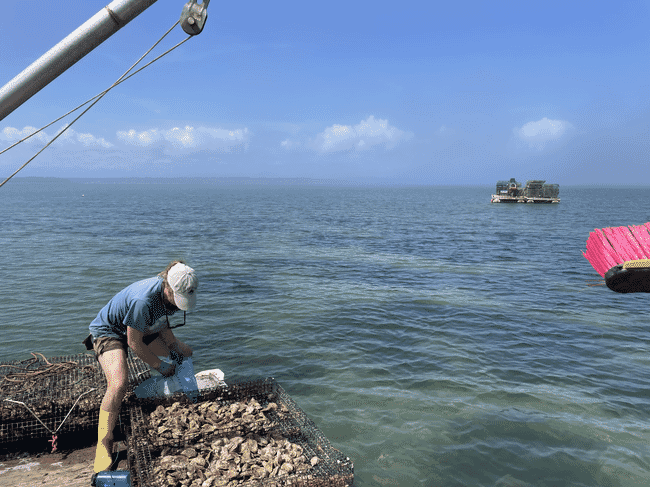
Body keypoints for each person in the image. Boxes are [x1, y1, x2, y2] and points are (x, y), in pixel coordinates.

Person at [85, 260, 198, 473]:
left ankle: (187, 394)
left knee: (185, 353)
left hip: (141, 328)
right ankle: (104, 443)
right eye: (177, 300)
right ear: (167, 289)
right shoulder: (143, 301)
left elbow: (162, 324)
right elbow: (133, 343)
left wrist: (175, 346)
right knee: (119, 384)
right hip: (110, 332)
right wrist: (160, 366)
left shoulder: (167, 296)